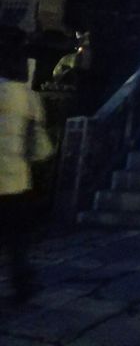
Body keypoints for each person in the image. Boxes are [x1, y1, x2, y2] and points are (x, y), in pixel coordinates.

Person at [0, 25, 54, 303]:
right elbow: (38, 143)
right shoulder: (27, 97)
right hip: (15, 177)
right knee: (16, 239)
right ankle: (23, 284)